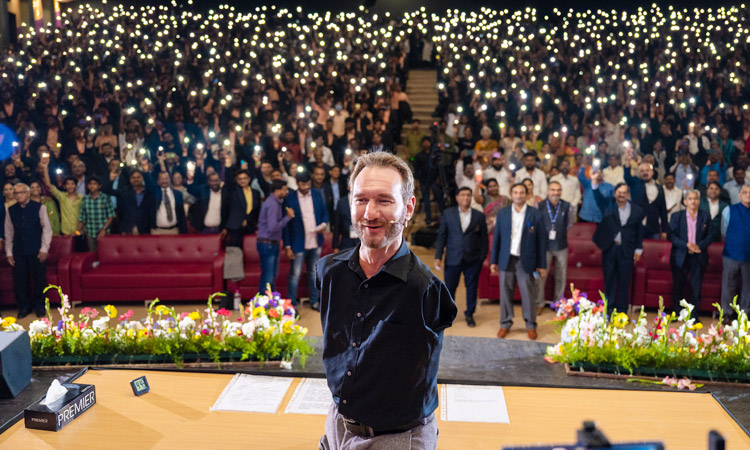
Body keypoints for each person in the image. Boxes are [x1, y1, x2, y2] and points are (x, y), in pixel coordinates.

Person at [315, 152, 456, 450]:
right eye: (361, 199)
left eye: (384, 200)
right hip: (337, 424)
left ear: (408, 208)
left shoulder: (426, 289)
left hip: (397, 437)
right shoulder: (328, 272)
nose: (369, 213)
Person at [490, 183, 547, 340]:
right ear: (511, 194)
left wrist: (542, 265)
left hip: (526, 260)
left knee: (528, 294)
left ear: (527, 195)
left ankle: (530, 324)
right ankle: (505, 323)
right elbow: (497, 239)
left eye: (522, 193)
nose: (518, 195)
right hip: (506, 258)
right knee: (505, 293)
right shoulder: (503, 213)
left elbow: (542, 242)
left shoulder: (536, 214)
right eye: (515, 192)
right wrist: (493, 260)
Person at [591, 173, 646, 315]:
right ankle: (608, 311)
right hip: (609, 248)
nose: (622, 195)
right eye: (619, 192)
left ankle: (622, 311)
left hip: (627, 250)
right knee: (609, 281)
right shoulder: (608, 205)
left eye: (624, 192)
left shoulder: (637, 210)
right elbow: (597, 197)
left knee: (624, 282)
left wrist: (638, 250)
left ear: (628, 194)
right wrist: (595, 184)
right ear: (615, 193)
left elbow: (639, 231)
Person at [434, 187, 488, 327]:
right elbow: (442, 236)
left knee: (471, 288)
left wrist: (481, 257)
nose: (466, 197)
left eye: (468, 195)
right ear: (457, 197)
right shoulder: (448, 214)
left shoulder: (479, 216)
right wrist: (438, 255)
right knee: (450, 288)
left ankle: (469, 314)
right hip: (453, 257)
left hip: (473, 259)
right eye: (463, 195)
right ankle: (448, 314)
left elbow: (484, 239)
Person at [4, 183, 53, 319]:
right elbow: (9, 232)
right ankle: (24, 307)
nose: (18, 195)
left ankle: (40, 306)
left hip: (36, 249)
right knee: (20, 280)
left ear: (28, 193)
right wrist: (9, 252)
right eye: (16, 193)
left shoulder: (39, 207)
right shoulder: (11, 210)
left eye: (21, 193)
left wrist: (44, 249)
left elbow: (47, 230)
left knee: (39, 280)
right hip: (18, 250)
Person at [283, 171, 329, 310]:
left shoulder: (316, 193)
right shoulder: (290, 198)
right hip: (298, 242)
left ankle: (315, 301)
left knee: (314, 273)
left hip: (315, 240)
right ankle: (292, 305)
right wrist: (287, 246)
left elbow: (325, 213)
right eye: (303, 184)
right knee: (295, 274)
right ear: (297, 184)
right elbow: (286, 226)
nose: (306, 187)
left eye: (308, 184)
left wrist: (323, 225)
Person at [668, 190, 712, 320]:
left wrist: (699, 246)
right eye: (690, 199)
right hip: (680, 254)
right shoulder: (677, 216)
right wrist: (686, 244)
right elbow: (671, 235)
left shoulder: (705, 216)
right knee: (678, 285)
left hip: (698, 255)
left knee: (696, 286)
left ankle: (693, 316)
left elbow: (710, 236)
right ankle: (676, 313)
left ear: (699, 201)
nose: (693, 201)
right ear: (685, 202)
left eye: (696, 198)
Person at [536, 181, 574, 314]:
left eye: (558, 190)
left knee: (560, 275)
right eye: (553, 190)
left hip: (561, 245)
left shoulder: (567, 206)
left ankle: (559, 303)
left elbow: (569, 224)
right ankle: (539, 302)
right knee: (541, 276)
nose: (555, 193)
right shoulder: (539, 205)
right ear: (547, 191)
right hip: (544, 246)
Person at [256, 180, 294, 293]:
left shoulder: (275, 202)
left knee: (270, 276)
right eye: (285, 189)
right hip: (268, 244)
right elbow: (273, 228)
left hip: (269, 243)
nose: (287, 192)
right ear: (277, 190)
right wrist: (288, 217)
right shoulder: (273, 204)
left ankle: (270, 304)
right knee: (268, 277)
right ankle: (264, 305)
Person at [719, 185, 750, 322]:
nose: (748, 195)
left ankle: (745, 313)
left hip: (749, 255)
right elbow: (724, 230)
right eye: (745, 192)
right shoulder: (729, 210)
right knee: (728, 284)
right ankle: (727, 313)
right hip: (731, 253)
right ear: (739, 195)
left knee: (748, 286)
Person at [624, 162, 668, 239]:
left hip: (654, 228)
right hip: (636, 227)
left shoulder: (660, 188)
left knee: (652, 250)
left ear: (652, 172)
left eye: (647, 170)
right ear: (638, 173)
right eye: (642, 171)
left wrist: (664, 230)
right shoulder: (635, 183)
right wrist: (627, 164)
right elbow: (627, 177)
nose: (645, 173)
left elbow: (663, 210)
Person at [40, 160, 82, 236]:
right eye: (68, 184)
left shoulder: (82, 198)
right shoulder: (62, 196)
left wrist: (77, 232)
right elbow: (48, 185)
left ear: (76, 185)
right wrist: (45, 167)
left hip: (79, 231)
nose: (70, 186)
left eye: (72, 184)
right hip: (66, 231)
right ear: (65, 186)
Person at [221, 169, 261, 247]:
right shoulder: (232, 191)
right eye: (240, 179)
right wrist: (224, 227)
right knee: (236, 252)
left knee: (250, 251)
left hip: (250, 226)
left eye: (244, 178)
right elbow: (225, 210)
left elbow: (257, 211)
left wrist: (258, 227)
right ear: (236, 180)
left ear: (249, 179)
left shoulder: (256, 193)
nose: (242, 181)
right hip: (235, 226)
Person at [77, 176, 115, 251]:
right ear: (87, 186)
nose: (92, 186)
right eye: (90, 184)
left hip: (103, 231)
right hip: (90, 231)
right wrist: (78, 229)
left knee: (104, 252)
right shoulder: (85, 199)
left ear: (99, 186)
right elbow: (83, 216)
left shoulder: (105, 198)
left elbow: (111, 216)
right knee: (92, 253)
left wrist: (103, 229)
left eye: (95, 184)